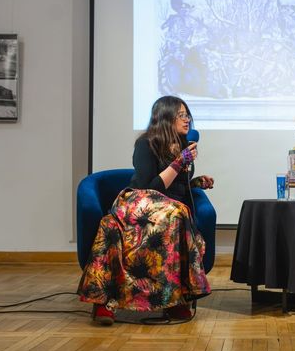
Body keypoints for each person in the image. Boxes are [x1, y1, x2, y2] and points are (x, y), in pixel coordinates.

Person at [77, 96, 214, 325]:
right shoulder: (146, 144)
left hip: (167, 208)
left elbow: (175, 187)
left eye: (187, 115)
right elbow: (151, 188)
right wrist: (179, 163)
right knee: (111, 225)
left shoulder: (183, 147)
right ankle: (103, 302)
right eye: (181, 115)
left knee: (176, 214)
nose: (187, 120)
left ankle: (173, 300)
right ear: (166, 117)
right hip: (140, 203)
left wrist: (196, 182)